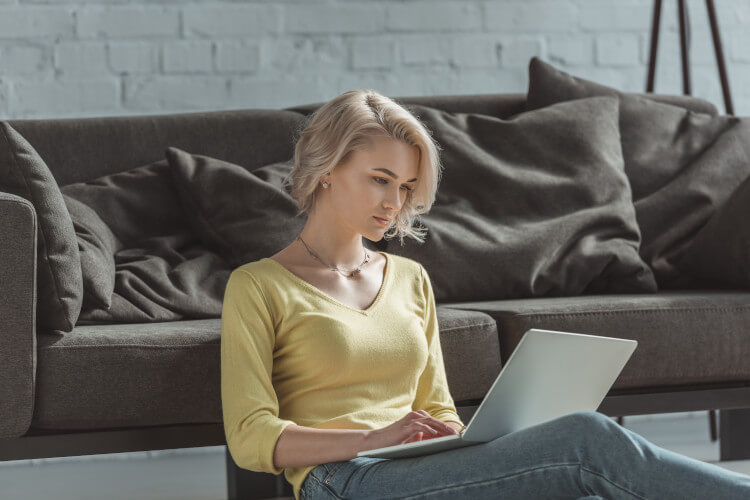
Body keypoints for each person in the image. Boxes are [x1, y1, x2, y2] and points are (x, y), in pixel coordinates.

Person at [220, 89, 750, 500]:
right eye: (379, 179)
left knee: (578, 481)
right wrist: (369, 438)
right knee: (586, 441)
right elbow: (250, 436)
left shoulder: (408, 279)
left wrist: (476, 441)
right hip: (343, 479)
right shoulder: (258, 286)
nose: (393, 202)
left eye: (404, 187)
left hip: (419, 470)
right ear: (327, 170)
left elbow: (436, 408)